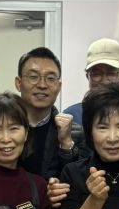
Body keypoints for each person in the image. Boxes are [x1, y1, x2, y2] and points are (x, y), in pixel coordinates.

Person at [14, 46, 86, 180]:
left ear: (59, 87)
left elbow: (79, 181)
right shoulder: (1, 128)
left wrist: (66, 144)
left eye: (51, 78)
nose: (42, 85)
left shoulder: (75, 133)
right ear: (18, 83)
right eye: (33, 77)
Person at [62, 37, 119, 125]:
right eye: (96, 74)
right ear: (88, 77)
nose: (104, 81)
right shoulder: (72, 117)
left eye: (111, 73)